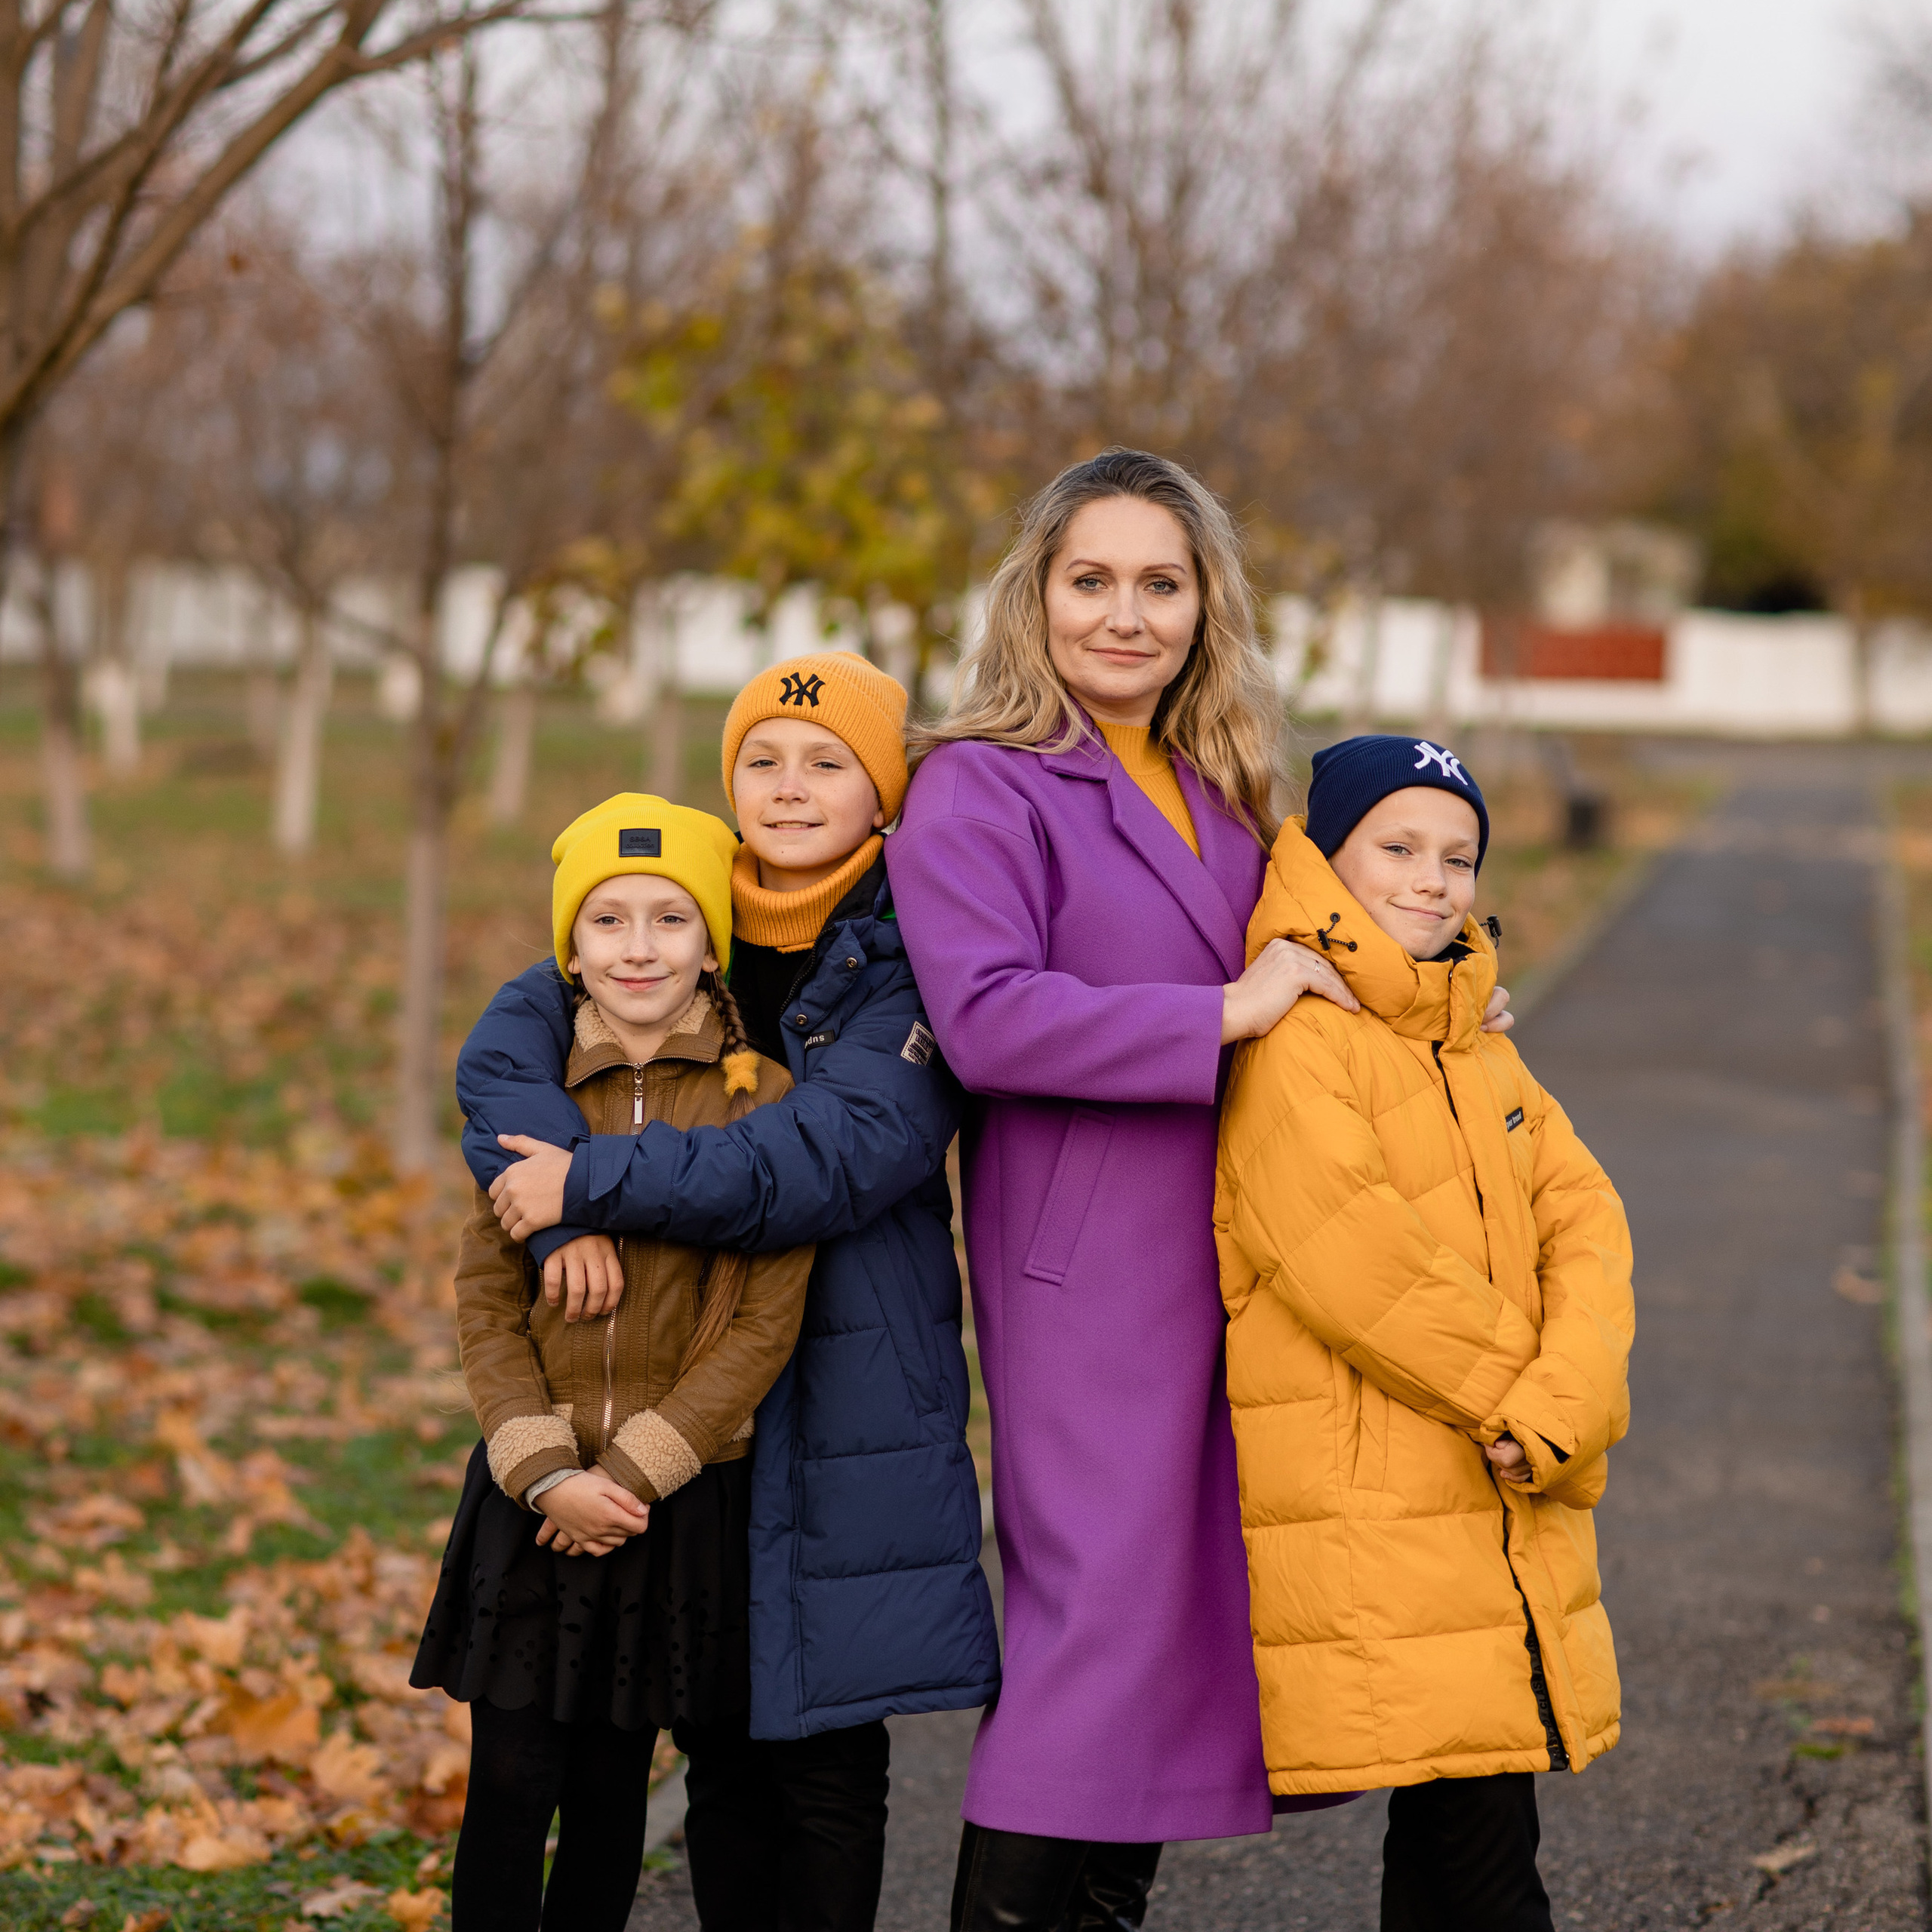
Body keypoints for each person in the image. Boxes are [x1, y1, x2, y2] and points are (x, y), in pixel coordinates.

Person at [884, 449, 1516, 1932]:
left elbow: (1333, 962)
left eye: (1158, 583)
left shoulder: (1224, 794)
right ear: (1032, 596)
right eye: (1089, 579)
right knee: (1090, 1630)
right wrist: (1216, 1015)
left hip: (1239, 1255)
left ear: (1201, 605)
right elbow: (984, 1015)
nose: (1124, 614)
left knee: (1175, 1633)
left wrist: (1451, 1004)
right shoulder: (980, 782)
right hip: (1086, 1273)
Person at [455, 651, 999, 1932]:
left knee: (820, 1759)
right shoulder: (674, 915)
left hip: (848, 1387)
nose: (793, 788)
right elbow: (505, 1053)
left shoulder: (916, 948)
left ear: (886, 794)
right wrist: (546, 1230)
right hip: (674, 1406)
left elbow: (832, 1156)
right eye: (763, 759)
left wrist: (590, 1184)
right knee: (716, 1741)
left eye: (830, 764)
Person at [1213, 734, 1634, 1932]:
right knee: (1476, 1839)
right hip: (1393, 1496)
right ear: (1327, 860)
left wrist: (1571, 1393)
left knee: (1477, 1826)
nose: (1431, 880)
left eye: (1459, 857)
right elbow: (1358, 1264)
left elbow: (1588, 1220)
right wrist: (1542, 1408)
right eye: (1396, 847)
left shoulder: (1474, 1039)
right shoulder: (1302, 1041)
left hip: (1493, 1481)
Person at [411, 792, 815, 1932]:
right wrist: (541, 1465)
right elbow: (487, 1298)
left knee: (610, 1793)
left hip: (667, 1501)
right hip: (529, 1494)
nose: (640, 948)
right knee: (509, 1784)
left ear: (711, 944)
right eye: (608, 922)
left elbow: (763, 1320)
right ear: (570, 952)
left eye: (671, 920)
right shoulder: (532, 1107)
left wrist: (632, 1474)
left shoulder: (760, 1100)